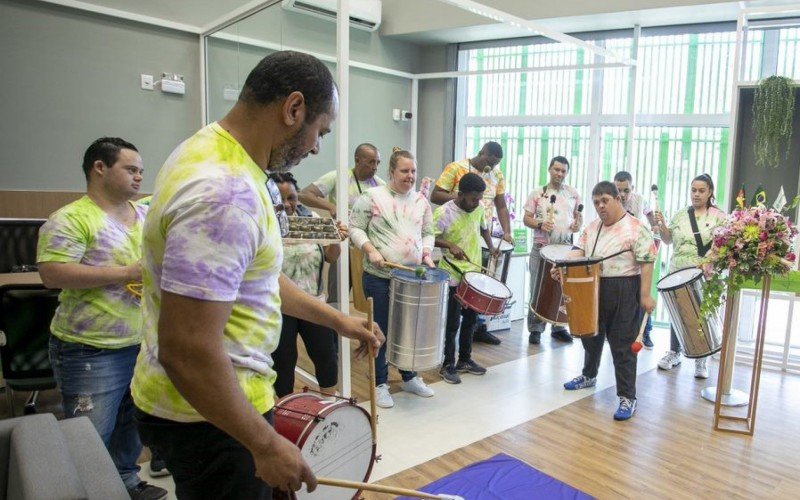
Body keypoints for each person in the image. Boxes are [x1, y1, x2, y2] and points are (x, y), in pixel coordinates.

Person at [130, 51, 383, 499]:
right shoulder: (225, 194)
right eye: (320, 131)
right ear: (293, 109)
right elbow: (187, 351)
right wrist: (264, 444)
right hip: (211, 416)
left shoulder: (210, 149)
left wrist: (337, 319)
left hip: (210, 407)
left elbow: (256, 278)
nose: (317, 147)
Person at [37, 137, 168, 500]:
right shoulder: (72, 218)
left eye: (141, 170)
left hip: (139, 343)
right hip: (90, 350)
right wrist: (125, 272)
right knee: (89, 432)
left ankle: (125, 481)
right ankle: (89, 491)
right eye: (131, 169)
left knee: (131, 422)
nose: (140, 177)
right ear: (100, 168)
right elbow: (52, 273)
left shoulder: (144, 215)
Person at [561, 181, 657, 421]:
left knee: (623, 345)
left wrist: (645, 295)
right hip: (595, 287)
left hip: (625, 288)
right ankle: (589, 375)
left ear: (618, 199)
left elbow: (646, 263)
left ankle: (628, 396)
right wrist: (564, 266)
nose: (600, 207)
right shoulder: (592, 228)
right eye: (596, 203)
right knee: (590, 335)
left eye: (605, 201)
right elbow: (578, 250)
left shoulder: (636, 227)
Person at [350, 147, 436, 409]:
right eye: (404, 170)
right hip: (379, 276)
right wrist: (371, 250)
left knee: (409, 329)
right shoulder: (372, 196)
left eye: (413, 171)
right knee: (382, 331)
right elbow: (355, 228)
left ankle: (410, 376)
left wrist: (426, 254)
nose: (410, 176)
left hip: (410, 278)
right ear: (391, 171)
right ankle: (380, 383)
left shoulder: (421, 200)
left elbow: (428, 232)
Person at [431, 141, 512, 345]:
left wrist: (506, 232)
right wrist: (463, 201)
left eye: (495, 164)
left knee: (475, 304)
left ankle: (478, 330)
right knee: (453, 313)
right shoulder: (456, 168)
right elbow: (435, 195)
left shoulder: (495, 179)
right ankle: (449, 355)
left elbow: (500, 205)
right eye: (488, 161)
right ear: (481, 153)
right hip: (455, 243)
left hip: (477, 239)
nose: (491, 167)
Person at [270, 171, 342, 398]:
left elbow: (331, 257)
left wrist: (336, 240)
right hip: (280, 307)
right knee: (283, 363)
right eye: (280, 199)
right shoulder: (263, 225)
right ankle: (286, 412)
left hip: (313, 301)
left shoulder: (310, 219)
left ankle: (331, 408)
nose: (287, 204)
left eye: (291, 198)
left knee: (326, 357)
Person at [654, 173, 726, 379]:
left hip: (704, 273)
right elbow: (667, 241)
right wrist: (662, 226)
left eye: (701, 190)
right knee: (679, 312)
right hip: (678, 271)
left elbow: (722, 245)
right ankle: (674, 352)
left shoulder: (718, 216)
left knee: (702, 314)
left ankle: (702, 358)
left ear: (710, 192)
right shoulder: (680, 215)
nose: (696, 194)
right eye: (693, 190)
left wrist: (707, 262)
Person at [433, 173, 497, 384]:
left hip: (473, 275)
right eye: (473, 199)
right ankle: (447, 364)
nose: (477, 203)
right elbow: (429, 237)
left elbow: (483, 228)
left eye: (479, 199)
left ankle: (465, 360)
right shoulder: (444, 212)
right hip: (452, 274)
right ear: (460, 194)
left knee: (470, 321)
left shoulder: (478, 209)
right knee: (452, 323)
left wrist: (491, 247)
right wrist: (450, 245)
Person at [523, 156, 582, 345]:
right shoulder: (537, 193)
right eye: (556, 169)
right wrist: (540, 223)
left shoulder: (573, 194)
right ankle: (535, 329)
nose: (560, 174)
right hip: (541, 248)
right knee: (537, 288)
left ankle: (559, 327)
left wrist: (577, 225)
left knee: (562, 289)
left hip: (565, 250)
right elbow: (526, 219)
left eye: (563, 171)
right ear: (549, 169)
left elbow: (577, 220)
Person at [614, 171, 659, 349]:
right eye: (619, 190)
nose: (623, 195)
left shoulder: (640, 201)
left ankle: (646, 331)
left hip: (639, 252)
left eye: (626, 190)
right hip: (619, 254)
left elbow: (650, 215)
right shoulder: (611, 201)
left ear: (632, 188)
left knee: (643, 292)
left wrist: (654, 224)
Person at [298, 143, 385, 218]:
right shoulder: (338, 176)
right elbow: (303, 195)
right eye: (371, 162)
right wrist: (332, 207)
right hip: (344, 230)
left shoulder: (380, 185)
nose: (375, 167)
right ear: (357, 160)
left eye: (378, 163)